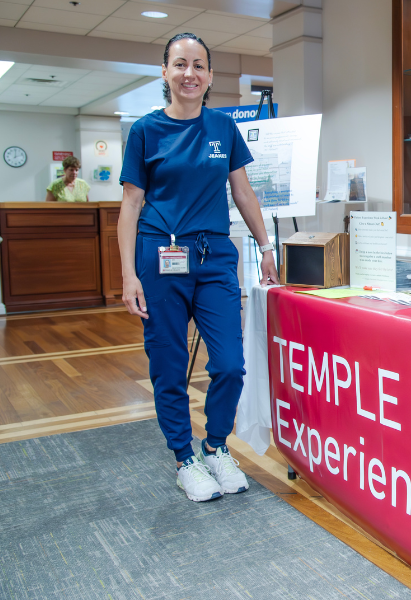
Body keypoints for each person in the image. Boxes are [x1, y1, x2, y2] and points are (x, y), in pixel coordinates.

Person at [118, 32, 280, 503]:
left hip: (213, 258)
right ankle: (184, 459)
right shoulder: (146, 131)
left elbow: (243, 193)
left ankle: (214, 447)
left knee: (230, 364)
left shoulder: (222, 128)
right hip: (160, 255)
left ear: (209, 76)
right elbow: (131, 205)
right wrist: (129, 275)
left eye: (199, 65)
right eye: (180, 64)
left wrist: (266, 245)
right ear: (165, 72)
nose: (190, 73)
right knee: (168, 367)